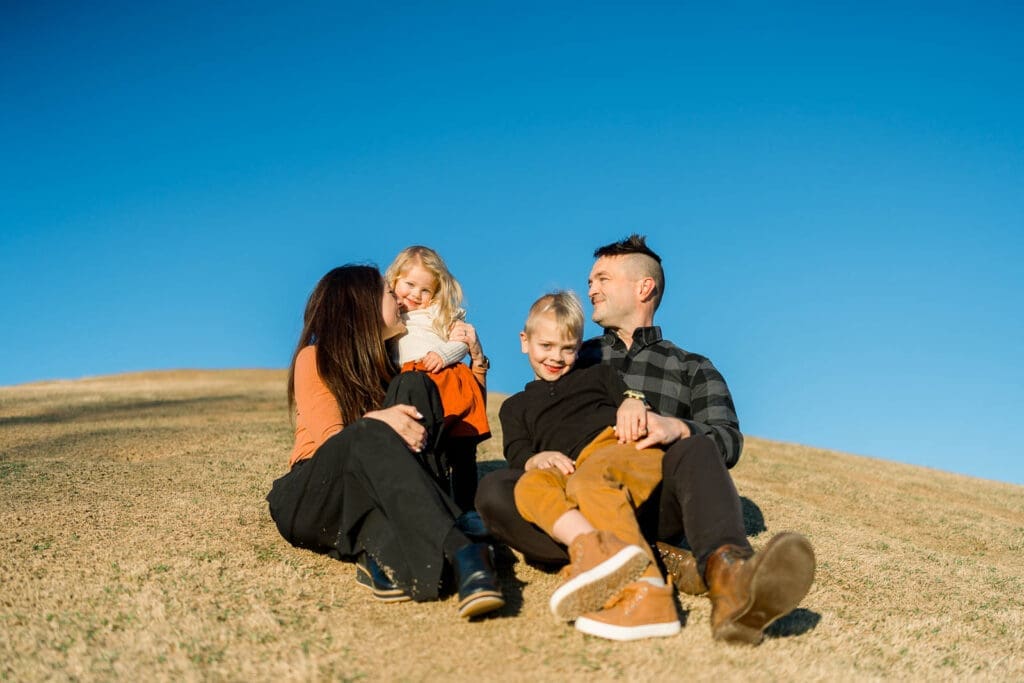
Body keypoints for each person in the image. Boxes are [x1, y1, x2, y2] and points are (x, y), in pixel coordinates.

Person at [476, 235, 815, 644]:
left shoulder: (692, 367)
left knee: (696, 445)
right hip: (574, 493)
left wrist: (676, 427)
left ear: (644, 287)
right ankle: (641, 556)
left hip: (651, 492)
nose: (591, 289)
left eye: (602, 279)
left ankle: (732, 580)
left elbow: (727, 439)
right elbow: (534, 422)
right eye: (589, 281)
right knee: (497, 488)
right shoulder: (577, 356)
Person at [266, 264, 504, 619]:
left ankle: (384, 552)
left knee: (416, 384)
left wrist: (477, 360)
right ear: (363, 304)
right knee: (369, 432)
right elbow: (334, 440)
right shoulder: (316, 358)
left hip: (378, 497)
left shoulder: (395, 373)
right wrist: (377, 420)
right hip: (317, 492)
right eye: (390, 293)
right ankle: (465, 550)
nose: (401, 300)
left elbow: (460, 421)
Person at [504, 291, 680, 641]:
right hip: (567, 466)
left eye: (568, 349)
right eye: (546, 346)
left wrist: (634, 400)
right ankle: (595, 551)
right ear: (525, 341)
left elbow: (631, 397)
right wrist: (534, 459)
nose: (556, 357)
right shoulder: (514, 406)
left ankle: (651, 595)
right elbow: (516, 449)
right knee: (528, 486)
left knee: (590, 485)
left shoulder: (599, 375)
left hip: (617, 447)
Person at [385, 246, 490, 512]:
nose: (415, 295)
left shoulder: (437, 312)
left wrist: (443, 355)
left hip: (447, 381)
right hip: (412, 383)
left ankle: (467, 508)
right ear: (394, 279)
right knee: (426, 445)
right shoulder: (389, 314)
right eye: (409, 285)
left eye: (425, 290)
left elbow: (462, 343)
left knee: (462, 450)